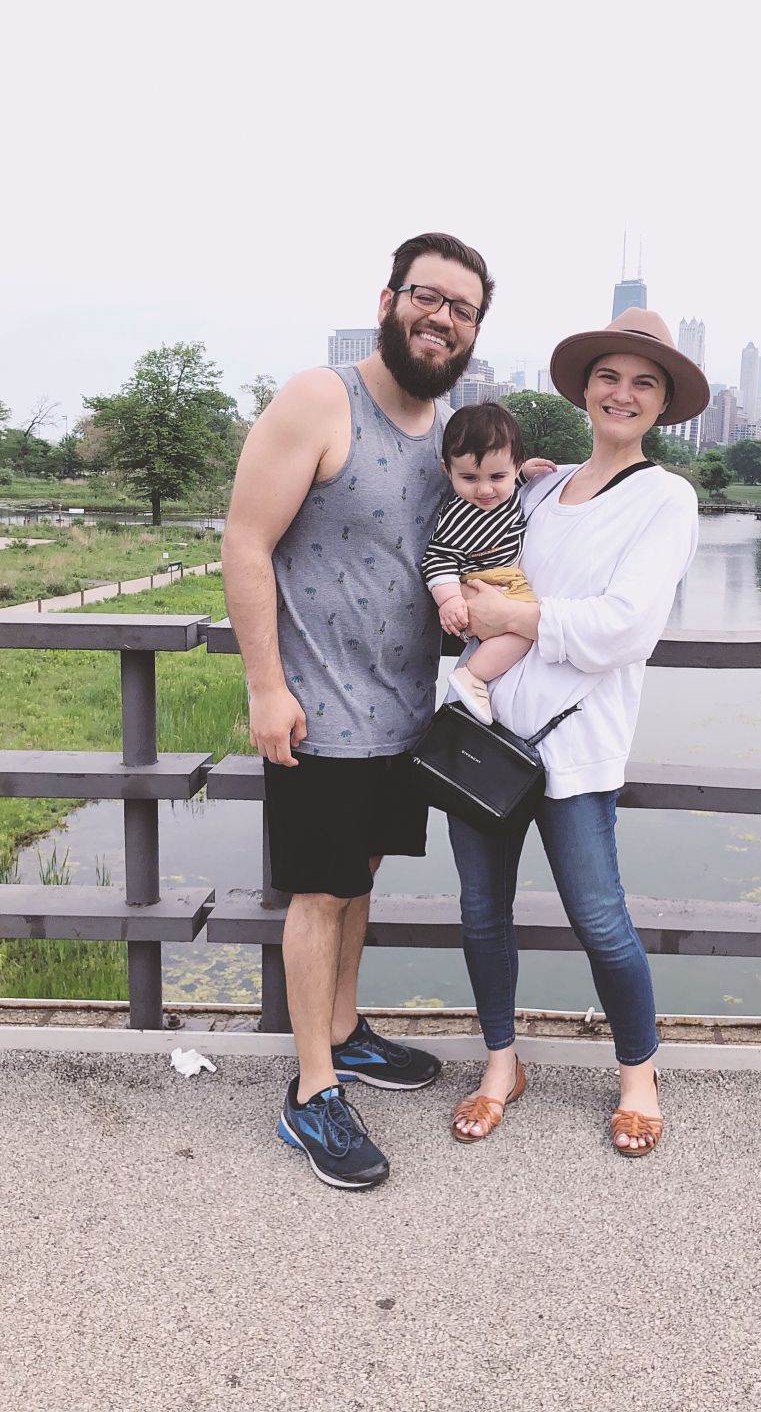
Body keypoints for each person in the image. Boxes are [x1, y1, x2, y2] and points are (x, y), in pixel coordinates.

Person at [222, 231, 494, 1191]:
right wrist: (265, 686)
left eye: (462, 310)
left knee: (361, 876)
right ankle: (311, 1092)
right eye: (429, 298)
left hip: (402, 713)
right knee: (318, 892)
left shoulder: (447, 426)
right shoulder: (319, 399)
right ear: (388, 300)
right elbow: (245, 542)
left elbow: (467, 528)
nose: (442, 319)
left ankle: (343, 1029)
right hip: (316, 711)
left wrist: (521, 479)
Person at [445, 308, 708, 1157]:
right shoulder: (538, 489)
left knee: (601, 919)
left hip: (578, 748)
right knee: (482, 913)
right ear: (585, 389)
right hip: (487, 741)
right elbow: (468, 526)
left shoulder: (666, 497)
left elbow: (626, 629)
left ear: (662, 405)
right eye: (610, 377)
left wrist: (507, 612)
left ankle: (638, 1075)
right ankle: (499, 1065)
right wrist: (472, 602)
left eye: (644, 383)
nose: (622, 393)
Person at [420, 401, 555, 724]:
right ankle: (473, 674)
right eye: (468, 477)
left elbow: (507, 489)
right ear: (446, 470)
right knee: (527, 630)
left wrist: (523, 476)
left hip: (503, 578)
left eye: (497, 476)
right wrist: (450, 599)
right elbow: (438, 557)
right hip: (492, 582)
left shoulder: (505, 492)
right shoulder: (458, 515)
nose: (484, 490)